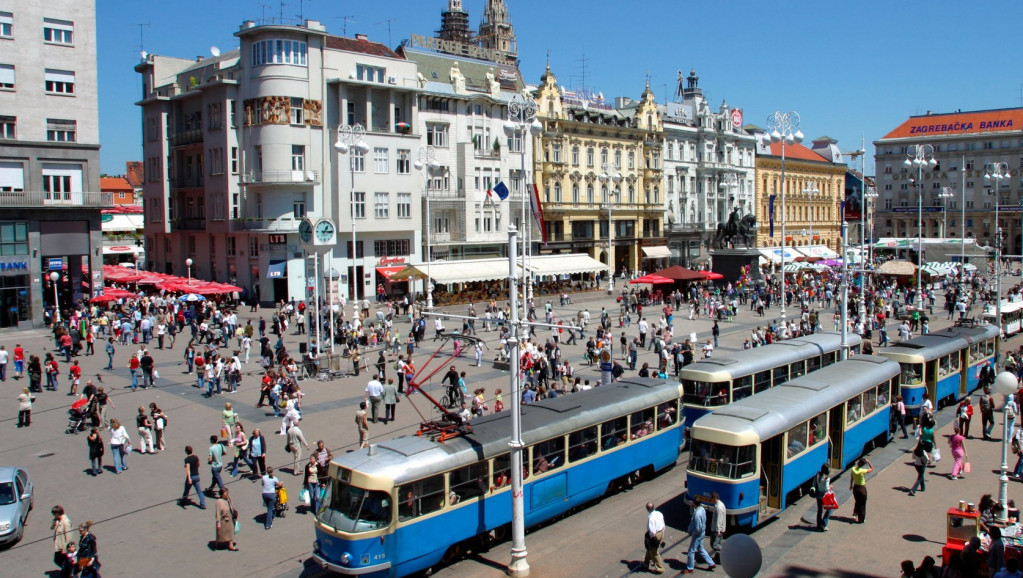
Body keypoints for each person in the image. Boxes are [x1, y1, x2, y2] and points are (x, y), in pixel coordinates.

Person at [684, 501, 716, 574]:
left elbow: (698, 527)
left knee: (691, 551)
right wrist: (691, 508)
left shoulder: (697, 514)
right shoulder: (702, 509)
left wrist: (693, 533)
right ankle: (711, 563)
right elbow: (693, 515)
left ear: (695, 503)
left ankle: (690, 568)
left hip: (697, 534)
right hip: (702, 532)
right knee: (700, 548)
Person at [180, 445, 206, 509]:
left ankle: (183, 501)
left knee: (186, 490)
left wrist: (188, 478)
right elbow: (198, 464)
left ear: (186, 452)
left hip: (191, 477)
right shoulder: (196, 457)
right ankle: (203, 504)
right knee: (199, 491)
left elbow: (188, 469)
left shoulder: (187, 459)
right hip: (197, 476)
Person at [850, 456, 873, 523]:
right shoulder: (862, 471)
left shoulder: (853, 469)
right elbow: (871, 468)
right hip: (862, 488)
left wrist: (851, 485)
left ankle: (855, 514)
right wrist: (868, 461)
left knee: (857, 501)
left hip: (855, 488)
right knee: (862, 504)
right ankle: (861, 519)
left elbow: (852, 478)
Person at [643, 502, 665, 575]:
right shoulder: (659, 513)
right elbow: (663, 524)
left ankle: (660, 568)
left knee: (654, 551)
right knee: (650, 548)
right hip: (661, 532)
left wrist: (651, 538)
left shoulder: (651, 518)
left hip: (654, 535)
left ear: (647, 509)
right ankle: (646, 563)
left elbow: (652, 531)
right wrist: (662, 536)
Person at [710, 492, 726, 563]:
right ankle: (718, 558)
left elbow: (719, 519)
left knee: (715, 544)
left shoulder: (719, 507)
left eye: (712, 498)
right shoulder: (720, 504)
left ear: (715, 498)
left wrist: (718, 530)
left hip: (718, 529)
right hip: (720, 528)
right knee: (717, 543)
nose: (711, 500)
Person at [814, 464, 832, 531]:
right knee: (829, 509)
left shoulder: (818, 475)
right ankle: (824, 524)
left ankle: (818, 525)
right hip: (824, 496)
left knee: (819, 510)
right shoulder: (827, 478)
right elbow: (827, 488)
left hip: (818, 495)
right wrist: (830, 487)